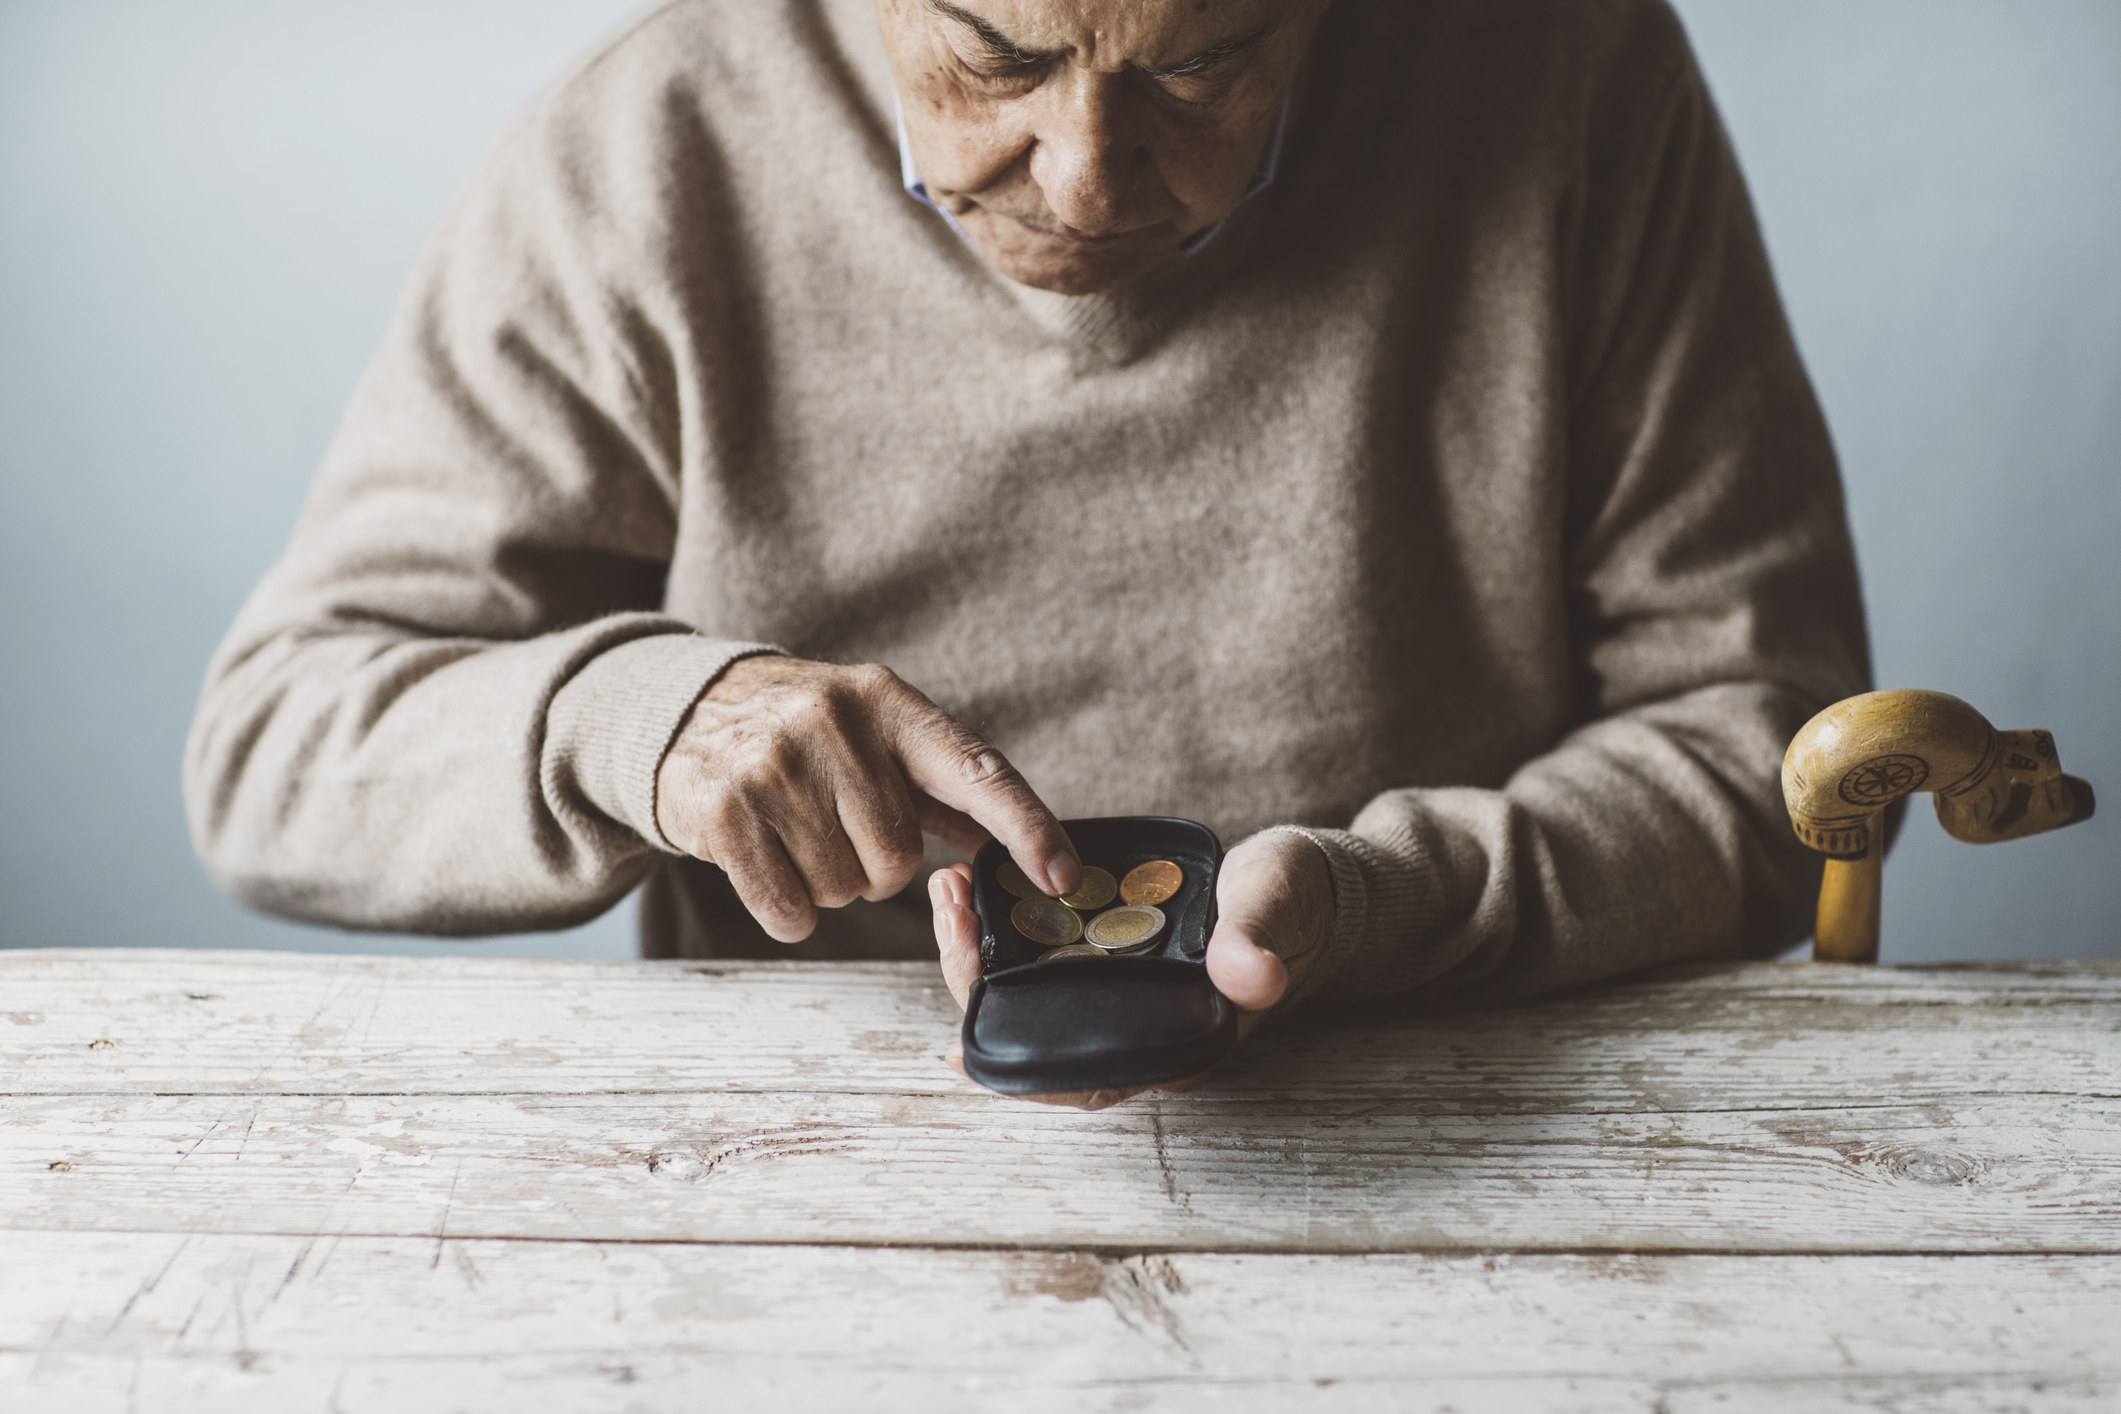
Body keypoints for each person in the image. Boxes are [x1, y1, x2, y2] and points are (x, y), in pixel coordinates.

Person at [185, 0, 1871, 1104]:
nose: (1085, 177)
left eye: (1201, 62)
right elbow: (275, 751)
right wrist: (636, 722)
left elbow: (1778, 753)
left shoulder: (1564, 75)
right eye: (995, 56)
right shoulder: (649, 149)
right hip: (800, 1184)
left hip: (1475, 1109)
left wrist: (1395, 902)